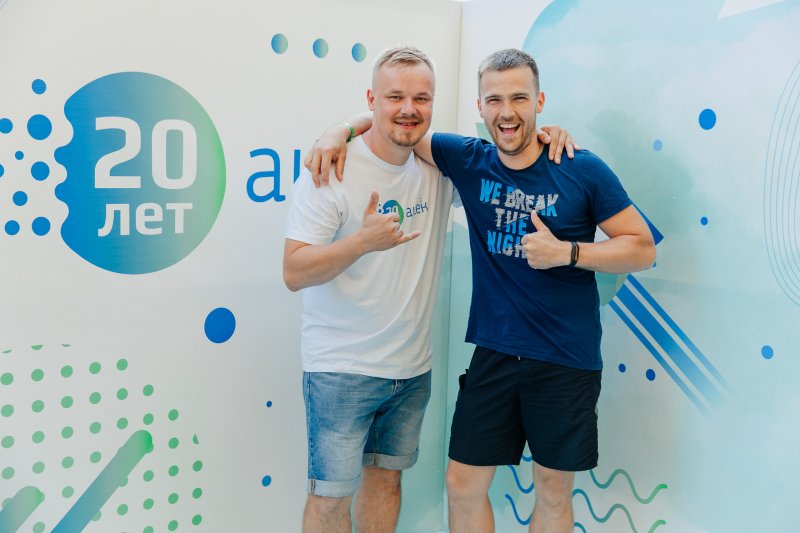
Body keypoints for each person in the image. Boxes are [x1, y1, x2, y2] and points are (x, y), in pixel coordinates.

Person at [306, 48, 655, 533]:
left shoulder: (580, 167)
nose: (507, 112)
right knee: (462, 484)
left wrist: (569, 252)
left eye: (519, 99)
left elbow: (641, 248)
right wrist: (339, 131)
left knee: (552, 490)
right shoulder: (469, 160)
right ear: (480, 107)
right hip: (494, 354)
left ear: (539, 102)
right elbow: (400, 122)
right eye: (495, 100)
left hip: (565, 358)